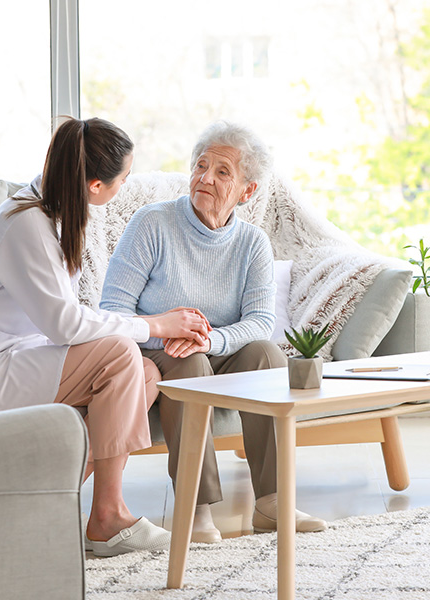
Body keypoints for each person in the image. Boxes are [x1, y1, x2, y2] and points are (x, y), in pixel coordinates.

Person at [0, 117, 211, 557]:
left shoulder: (46, 213)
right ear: (96, 186)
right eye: (124, 178)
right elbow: (65, 325)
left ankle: (40, 499)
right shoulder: (25, 225)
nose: (126, 185)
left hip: (13, 357)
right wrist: (155, 324)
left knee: (144, 373)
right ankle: (108, 517)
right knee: (123, 355)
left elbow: (66, 319)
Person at [100, 120, 328, 542]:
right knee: (189, 365)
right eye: (201, 165)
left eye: (222, 172)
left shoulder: (252, 243)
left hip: (216, 347)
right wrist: (166, 335)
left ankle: (272, 502)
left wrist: (210, 339)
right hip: (156, 348)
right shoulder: (152, 223)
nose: (205, 177)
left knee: (266, 356)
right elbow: (112, 311)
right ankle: (196, 507)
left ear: (247, 191)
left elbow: (261, 321)